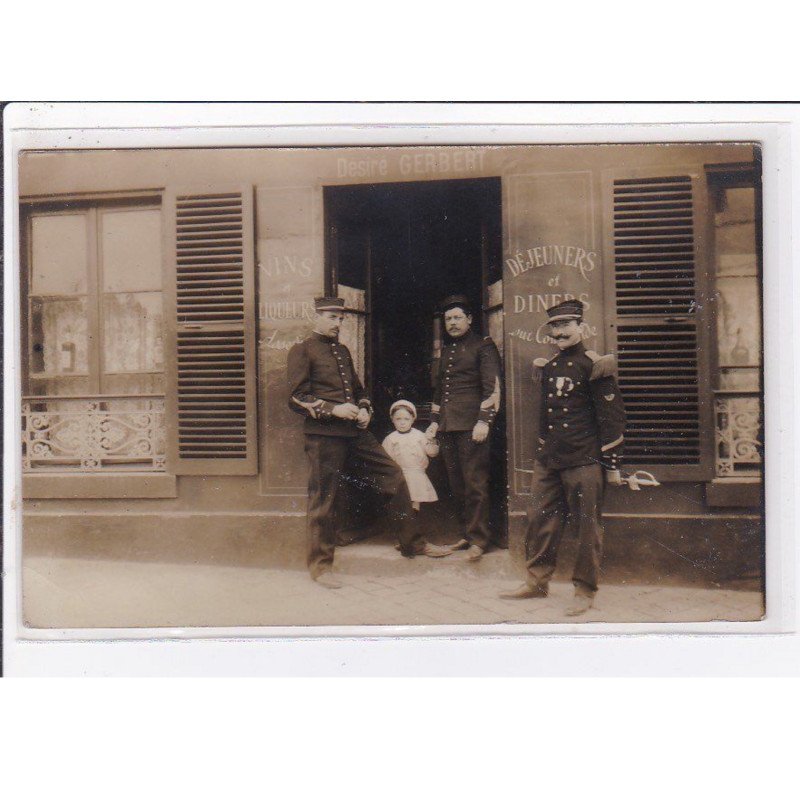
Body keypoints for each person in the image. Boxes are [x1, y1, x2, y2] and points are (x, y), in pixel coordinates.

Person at [287, 297, 451, 589]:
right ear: (316, 317)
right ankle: (321, 567)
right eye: (332, 317)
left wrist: (364, 409)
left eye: (340, 318)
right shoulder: (302, 350)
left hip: (354, 433)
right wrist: (334, 409)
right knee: (323, 499)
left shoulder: (342, 351)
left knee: (394, 476)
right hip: (324, 436)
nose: (338, 323)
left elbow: (359, 390)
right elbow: (296, 397)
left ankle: (412, 543)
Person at [500, 298, 626, 616]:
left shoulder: (595, 365)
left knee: (586, 527)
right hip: (550, 458)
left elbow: (611, 418)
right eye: (555, 326)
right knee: (539, 519)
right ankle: (536, 582)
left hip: (584, 458)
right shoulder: (550, 366)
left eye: (566, 325)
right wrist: (544, 448)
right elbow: (545, 414)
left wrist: (611, 464)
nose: (560, 332)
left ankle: (584, 591)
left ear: (581, 327)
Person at [425, 294, 502, 562]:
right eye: (448, 319)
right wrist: (434, 421)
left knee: (474, 483)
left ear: (469, 319)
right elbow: (440, 391)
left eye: (457, 317)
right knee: (456, 484)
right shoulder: (447, 350)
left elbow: (492, 386)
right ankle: (466, 534)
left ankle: (479, 539)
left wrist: (484, 420)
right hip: (448, 426)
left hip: (472, 426)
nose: (453, 323)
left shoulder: (483, 345)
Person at [382, 400, 440, 511]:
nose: (402, 423)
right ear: (392, 419)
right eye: (398, 419)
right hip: (400, 474)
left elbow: (432, 453)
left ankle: (415, 511)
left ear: (413, 419)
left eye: (406, 419)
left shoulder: (420, 436)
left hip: (416, 472)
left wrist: (431, 440)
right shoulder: (390, 439)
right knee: (402, 499)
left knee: (416, 495)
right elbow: (386, 458)